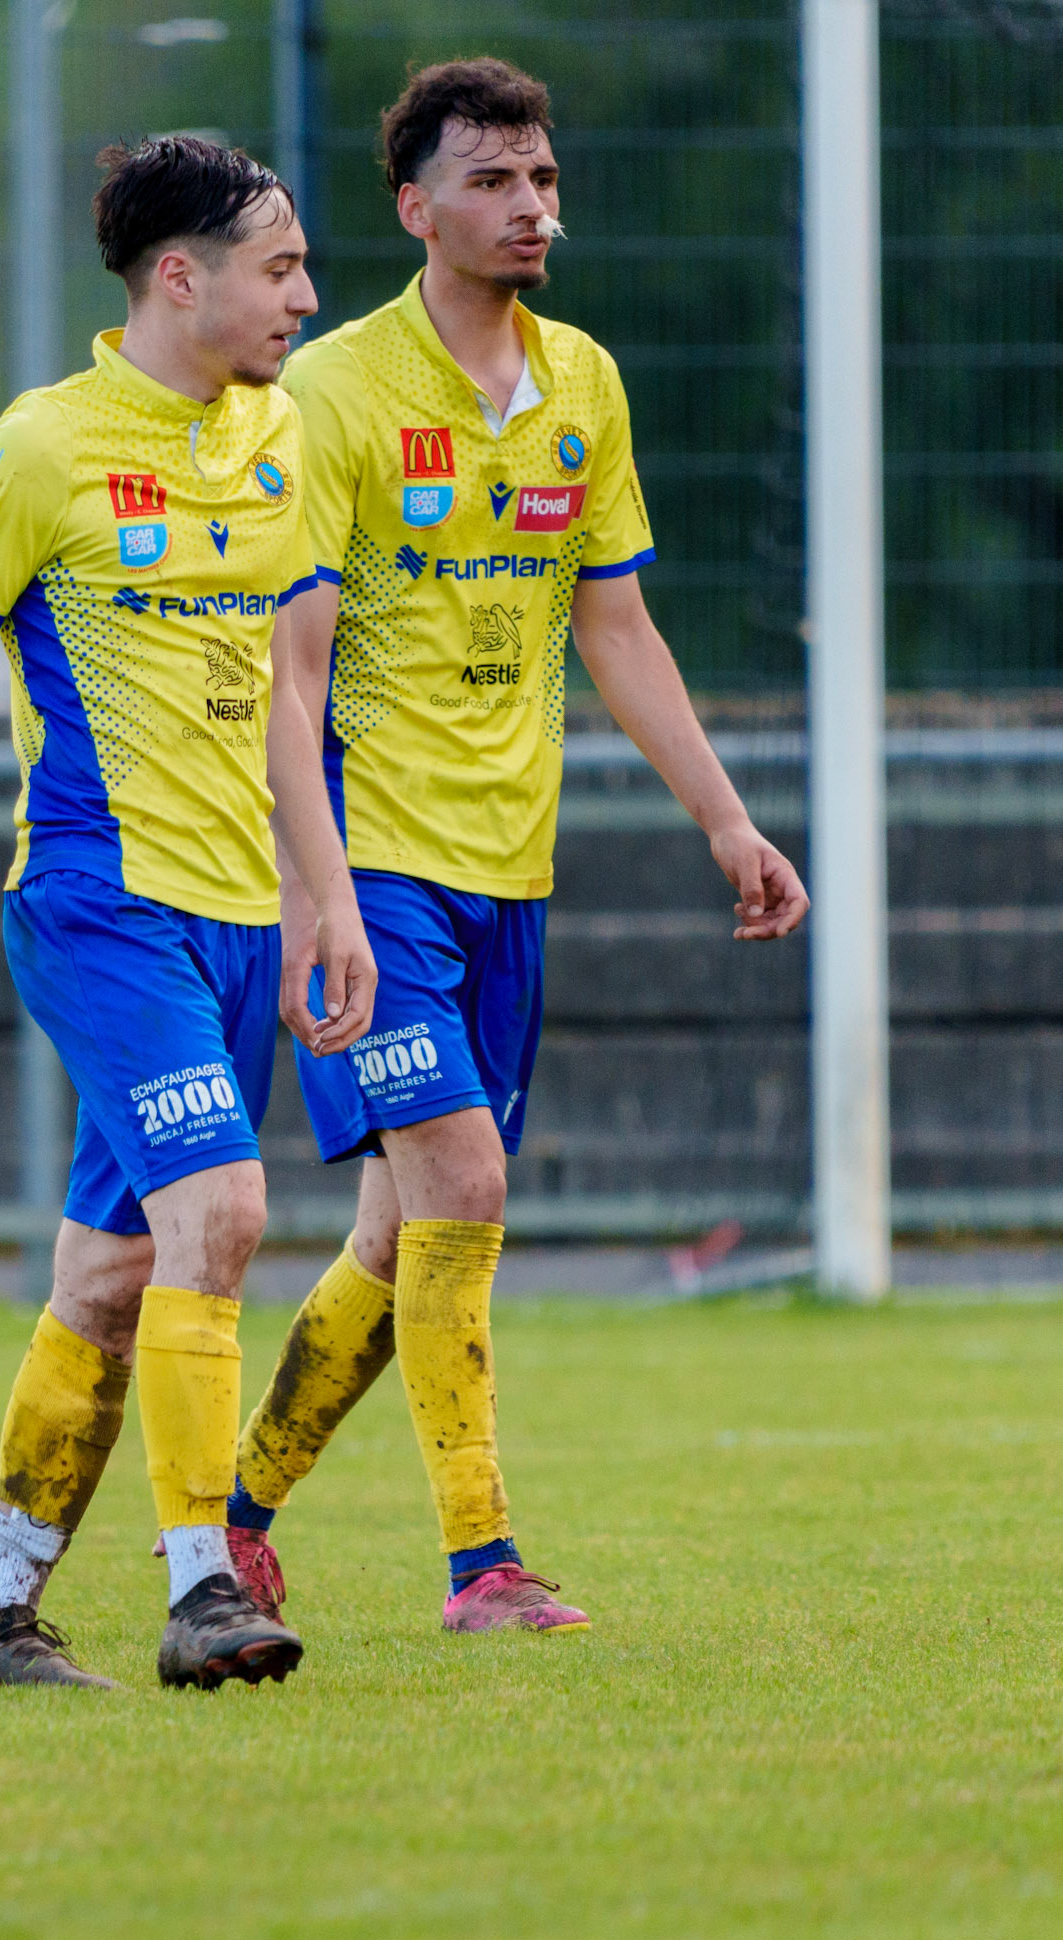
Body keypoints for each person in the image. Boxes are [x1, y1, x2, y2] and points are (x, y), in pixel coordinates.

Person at [225, 59, 809, 1634]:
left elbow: (614, 625)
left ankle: (235, 1513)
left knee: (402, 1228)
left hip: (510, 872)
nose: (530, 206)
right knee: (466, 1184)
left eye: (541, 177)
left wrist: (725, 819)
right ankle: (480, 1566)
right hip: (373, 868)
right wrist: (307, 895)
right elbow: (289, 665)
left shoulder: (581, 386)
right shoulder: (335, 393)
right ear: (414, 209)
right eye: (490, 180)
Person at [0, 136, 376, 1692]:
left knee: (108, 1283)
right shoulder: (43, 449)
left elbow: (285, 696)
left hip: (237, 921)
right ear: (180, 277)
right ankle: (202, 1588)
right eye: (279, 268)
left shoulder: (279, 439)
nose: (305, 296)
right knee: (221, 1216)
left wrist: (324, 900)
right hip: (100, 903)